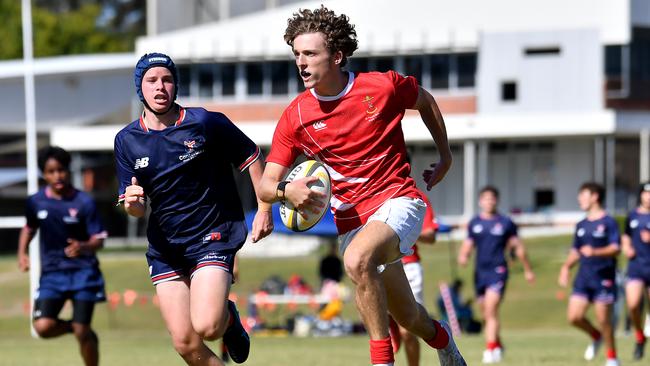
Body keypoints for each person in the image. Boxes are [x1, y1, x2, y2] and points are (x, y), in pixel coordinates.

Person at [258, 6, 466, 366]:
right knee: (409, 317)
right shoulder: (296, 116)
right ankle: (444, 340)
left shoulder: (381, 86)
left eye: (310, 53)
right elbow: (266, 184)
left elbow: (426, 101)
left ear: (337, 56)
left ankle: (380, 360)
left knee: (356, 260)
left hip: (399, 200)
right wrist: (282, 194)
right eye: (296, 54)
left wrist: (445, 156)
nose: (301, 63)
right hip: (352, 220)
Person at [114, 53, 273, 365]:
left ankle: (228, 317)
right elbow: (132, 206)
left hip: (211, 235)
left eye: (167, 79)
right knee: (186, 343)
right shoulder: (126, 140)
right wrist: (132, 203)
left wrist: (265, 209)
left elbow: (252, 156)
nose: (160, 87)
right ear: (140, 88)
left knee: (208, 326)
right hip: (165, 247)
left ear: (176, 85)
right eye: (151, 80)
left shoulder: (205, 123)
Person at [17, 146, 107, 366]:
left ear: (68, 171)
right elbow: (29, 228)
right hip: (52, 274)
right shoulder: (36, 202)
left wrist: (84, 246)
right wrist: (22, 253)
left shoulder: (84, 202)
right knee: (43, 327)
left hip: (83, 273)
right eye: (51, 171)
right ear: (44, 174)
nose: (57, 175)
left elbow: (100, 239)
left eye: (61, 170)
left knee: (83, 333)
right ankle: (76, 327)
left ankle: (83, 333)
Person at [457, 185, 535, 364]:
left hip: (498, 271)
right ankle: (498, 344)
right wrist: (464, 256)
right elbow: (468, 244)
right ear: (480, 201)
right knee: (486, 313)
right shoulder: (475, 223)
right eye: (485, 198)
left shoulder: (505, 222)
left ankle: (490, 349)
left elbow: (518, 247)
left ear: (497, 201)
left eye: (492, 198)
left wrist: (528, 269)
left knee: (491, 309)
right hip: (479, 273)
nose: (489, 201)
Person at [558, 182, 621, 366]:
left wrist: (595, 252)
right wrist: (566, 267)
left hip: (604, 277)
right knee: (574, 317)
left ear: (595, 197)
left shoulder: (609, 222)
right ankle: (596, 336)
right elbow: (576, 250)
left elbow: (616, 248)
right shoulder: (581, 224)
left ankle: (612, 358)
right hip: (584, 277)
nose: (579, 199)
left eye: (583, 195)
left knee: (604, 320)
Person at [388, 192, 438, 366]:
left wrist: (403, 231)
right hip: (382, 265)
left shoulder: (416, 197)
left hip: (409, 266)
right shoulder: (371, 190)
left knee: (409, 330)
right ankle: (391, 320)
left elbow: (431, 235)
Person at [622, 182, 650, 360]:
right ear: (641, 195)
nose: (649, 197)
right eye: (646, 193)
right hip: (636, 267)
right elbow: (626, 235)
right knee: (632, 305)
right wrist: (626, 247)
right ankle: (640, 337)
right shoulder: (631, 215)